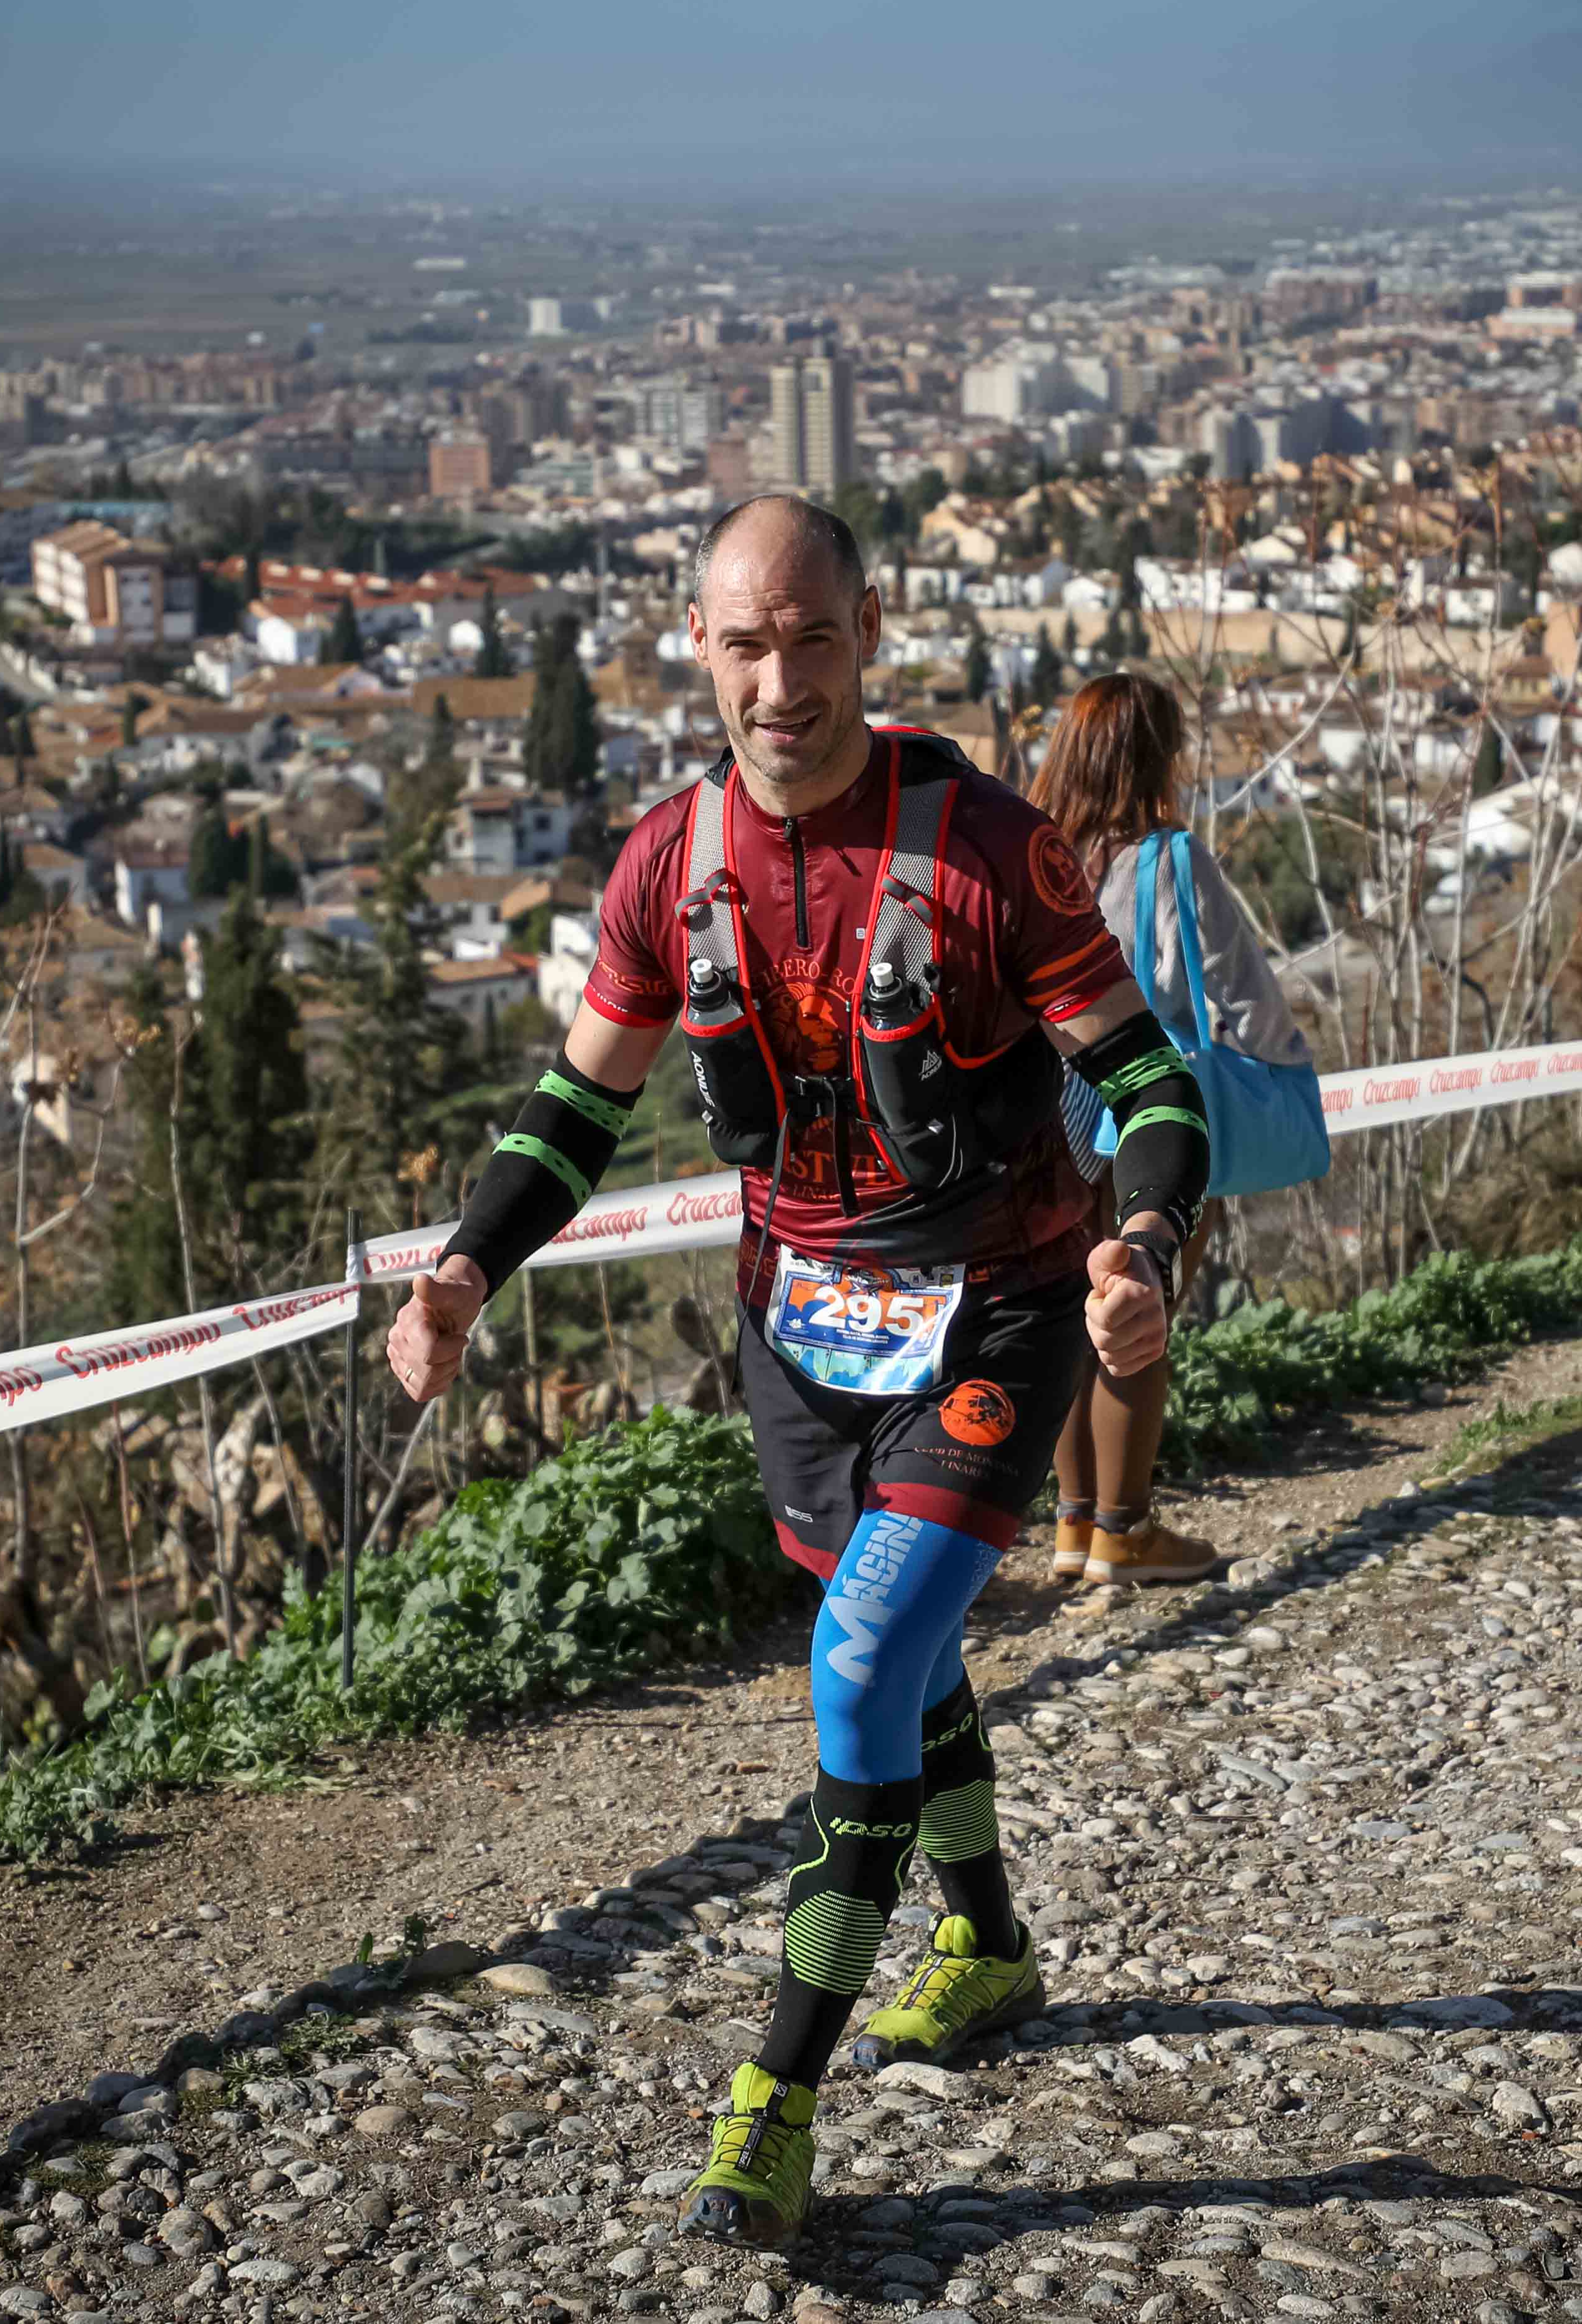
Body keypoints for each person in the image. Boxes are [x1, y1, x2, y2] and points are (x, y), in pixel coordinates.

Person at [386, 495, 1213, 2252]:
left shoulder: (992, 849)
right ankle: (985, 1940)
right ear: (700, 647)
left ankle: (774, 2094)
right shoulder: (662, 866)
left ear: (867, 632)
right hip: (803, 1328)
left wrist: (1137, 1247)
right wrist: (466, 1262)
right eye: (745, 642)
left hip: (996, 1299)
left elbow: (1150, 1084)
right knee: (900, 1648)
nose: (782, 678)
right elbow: (576, 1105)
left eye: (812, 636)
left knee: (853, 1661)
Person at [1029, 674, 1314, 1593]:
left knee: (1078, 1320)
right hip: (1147, 1121)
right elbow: (1239, 992)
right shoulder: (1170, 860)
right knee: (1137, 1312)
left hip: (1048, 1125)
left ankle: (1073, 1524)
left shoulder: (1032, 852)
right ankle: (1125, 1530)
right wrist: (1282, 1066)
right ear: (1157, 756)